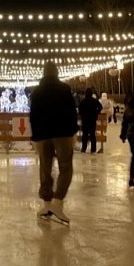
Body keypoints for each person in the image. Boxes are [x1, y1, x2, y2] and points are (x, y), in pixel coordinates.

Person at [30, 62, 78, 225]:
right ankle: (57, 202)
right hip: (62, 133)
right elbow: (72, 111)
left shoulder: (37, 91)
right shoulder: (64, 89)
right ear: (57, 73)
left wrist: (35, 137)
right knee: (66, 167)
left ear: (44, 73)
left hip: (43, 134)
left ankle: (47, 204)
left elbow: (33, 115)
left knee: (45, 168)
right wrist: (73, 132)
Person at [77, 88, 102, 153]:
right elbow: (100, 107)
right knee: (92, 135)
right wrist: (96, 113)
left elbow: (79, 109)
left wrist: (82, 114)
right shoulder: (94, 101)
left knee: (84, 135)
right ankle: (93, 149)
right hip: (92, 120)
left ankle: (84, 148)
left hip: (85, 120)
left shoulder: (83, 101)